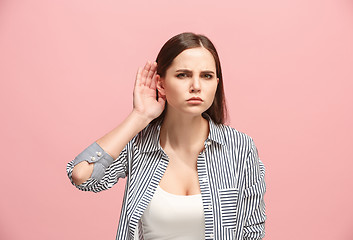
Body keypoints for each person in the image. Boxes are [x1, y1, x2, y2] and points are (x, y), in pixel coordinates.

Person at [66, 32, 266, 240]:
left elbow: (252, 231)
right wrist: (139, 116)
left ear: (216, 83)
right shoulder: (139, 144)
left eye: (206, 76)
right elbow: (82, 176)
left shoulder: (239, 147)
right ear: (161, 83)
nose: (196, 86)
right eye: (183, 75)